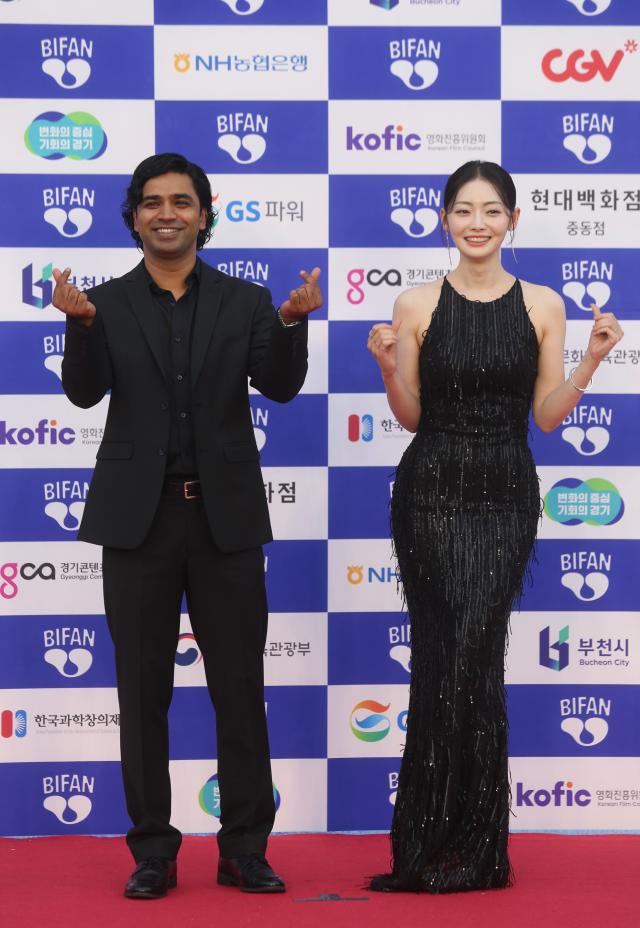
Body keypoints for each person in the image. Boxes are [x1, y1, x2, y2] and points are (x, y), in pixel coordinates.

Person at [54, 152, 322, 899]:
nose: (166, 213)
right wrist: (79, 329)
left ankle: (244, 848)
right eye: (151, 203)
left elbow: (280, 385)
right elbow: (83, 395)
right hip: (136, 525)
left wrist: (293, 323)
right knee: (142, 696)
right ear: (133, 216)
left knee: (239, 688)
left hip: (225, 519)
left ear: (206, 212)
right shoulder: (103, 302)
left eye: (181, 201)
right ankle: (153, 854)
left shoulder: (246, 301)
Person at [366, 160, 623, 893]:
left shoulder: (543, 304)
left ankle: (476, 848)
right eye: (462, 210)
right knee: (441, 657)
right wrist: (389, 368)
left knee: (477, 655)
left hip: (505, 493)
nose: (477, 223)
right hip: (430, 491)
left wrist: (592, 362)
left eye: (491, 211)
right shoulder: (416, 302)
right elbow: (411, 415)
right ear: (444, 219)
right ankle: (426, 847)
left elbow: (543, 416)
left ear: (513, 219)